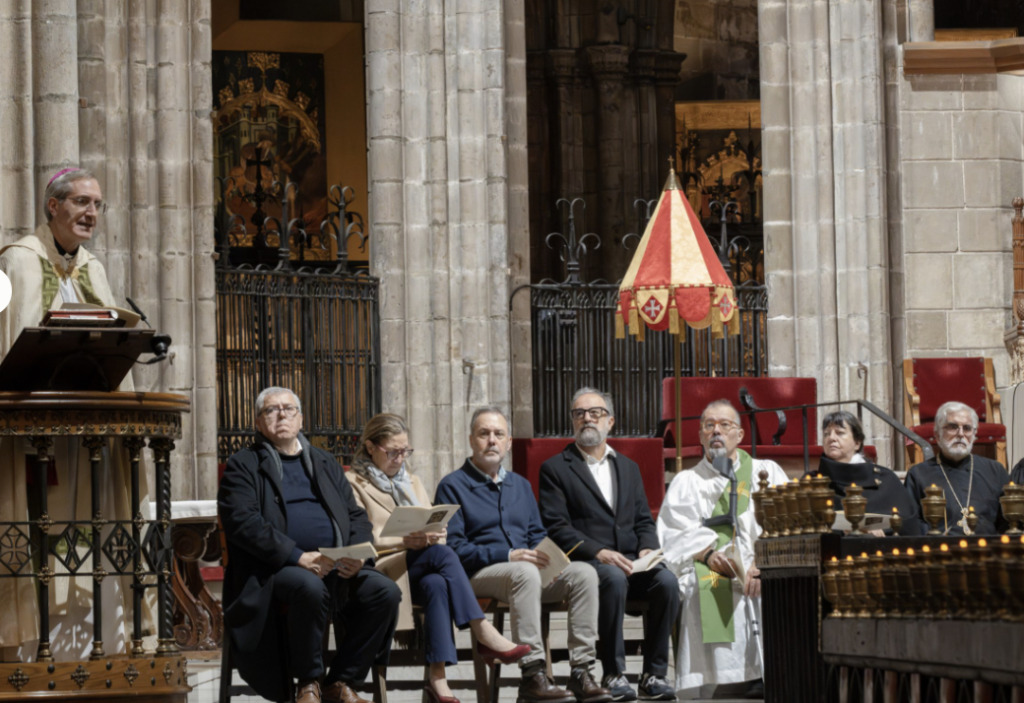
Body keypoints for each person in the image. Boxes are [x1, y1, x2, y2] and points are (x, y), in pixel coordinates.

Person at [0, 167, 141, 659]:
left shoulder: (93, 269)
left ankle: (95, 649)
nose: (91, 213)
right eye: (82, 202)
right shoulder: (16, 262)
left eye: (97, 204)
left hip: (85, 436)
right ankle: (24, 649)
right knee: (31, 525)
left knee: (88, 522)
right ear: (53, 206)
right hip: (27, 430)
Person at [218, 387, 401, 703]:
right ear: (258, 422)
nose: (281, 414)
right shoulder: (244, 464)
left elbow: (356, 516)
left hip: (337, 564)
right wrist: (297, 556)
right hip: (275, 569)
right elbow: (243, 523)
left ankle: (341, 680)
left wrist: (358, 555)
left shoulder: (324, 461)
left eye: (288, 408)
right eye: (271, 410)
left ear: (301, 418)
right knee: (309, 587)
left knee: (384, 592)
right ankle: (308, 682)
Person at [346, 412, 529, 703]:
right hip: (383, 568)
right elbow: (359, 537)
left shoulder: (413, 481)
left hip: (421, 564)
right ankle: (482, 630)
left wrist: (434, 535)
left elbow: (435, 527)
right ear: (370, 447)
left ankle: (438, 679)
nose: (400, 458)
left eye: (405, 451)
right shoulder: (353, 483)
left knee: (436, 583)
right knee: (442, 556)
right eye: (392, 452)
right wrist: (404, 540)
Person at [435, 407, 611, 703]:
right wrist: (506, 554)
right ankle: (533, 674)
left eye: (498, 434)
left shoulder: (520, 485)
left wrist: (551, 559)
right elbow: (454, 548)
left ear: (508, 442)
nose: (492, 440)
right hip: (477, 575)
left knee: (584, 573)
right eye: (484, 434)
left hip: (524, 573)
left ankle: (582, 671)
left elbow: (536, 535)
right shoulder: (452, 486)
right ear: (471, 440)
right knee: (524, 572)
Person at [538, 388, 678, 701]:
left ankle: (654, 675)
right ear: (573, 421)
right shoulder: (555, 468)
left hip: (631, 561)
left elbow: (643, 520)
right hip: (589, 563)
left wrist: (646, 548)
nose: (587, 418)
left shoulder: (628, 467)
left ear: (610, 421)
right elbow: (557, 527)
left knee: (667, 581)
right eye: (579, 413)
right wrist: (598, 552)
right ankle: (613, 674)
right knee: (612, 578)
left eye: (595, 412)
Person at [656, 399, 788, 699]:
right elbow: (673, 533)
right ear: (700, 435)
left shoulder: (766, 471)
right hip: (710, 564)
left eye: (724, 425)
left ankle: (770, 672)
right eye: (709, 425)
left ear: (739, 435)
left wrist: (763, 563)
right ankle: (725, 678)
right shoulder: (687, 481)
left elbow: (786, 520)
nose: (716, 431)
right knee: (700, 584)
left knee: (777, 582)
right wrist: (706, 554)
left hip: (761, 562)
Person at [811, 410, 924, 536]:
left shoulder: (885, 479)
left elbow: (909, 523)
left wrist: (882, 532)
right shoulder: (812, 483)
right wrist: (842, 532)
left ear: (857, 443)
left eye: (840, 433)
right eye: (826, 434)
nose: (831, 438)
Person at [905, 400, 1009, 536]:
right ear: (937, 435)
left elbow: (1008, 523)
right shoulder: (918, 474)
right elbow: (912, 524)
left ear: (974, 434)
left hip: (987, 548)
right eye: (953, 427)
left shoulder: (995, 471)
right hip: (939, 548)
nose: (960, 434)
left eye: (967, 428)